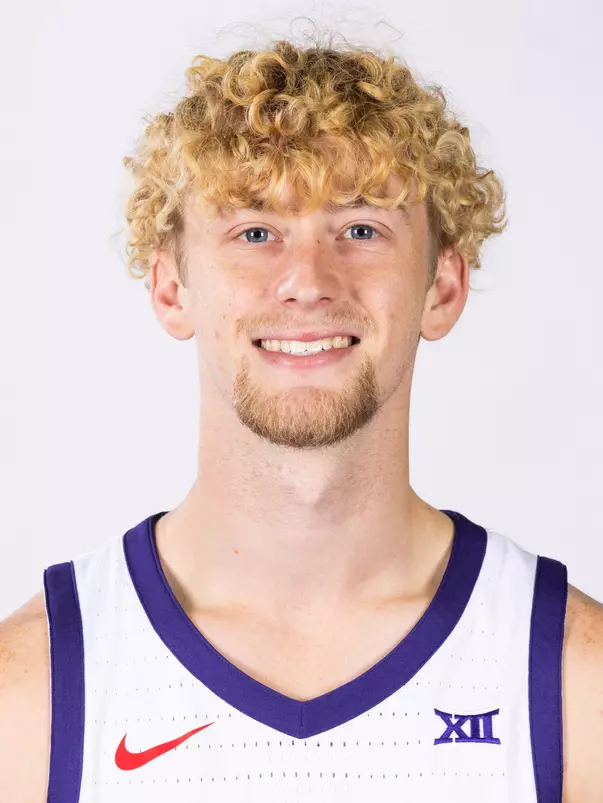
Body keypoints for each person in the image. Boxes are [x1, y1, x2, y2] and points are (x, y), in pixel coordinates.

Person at [1, 33, 601, 803]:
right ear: (171, 288)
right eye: (255, 231)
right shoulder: (36, 696)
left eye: (360, 229)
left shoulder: (570, 686)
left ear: (442, 287)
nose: (307, 282)